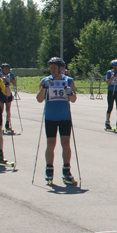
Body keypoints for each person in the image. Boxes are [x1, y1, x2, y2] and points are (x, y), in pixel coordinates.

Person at [36, 56, 78, 185]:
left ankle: (66, 170)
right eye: (51, 67)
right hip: (50, 117)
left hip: (64, 116)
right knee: (51, 143)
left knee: (65, 143)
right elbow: (39, 99)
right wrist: (44, 87)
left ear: (61, 69)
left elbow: (74, 99)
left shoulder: (68, 80)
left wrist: (70, 92)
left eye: (55, 68)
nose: (52, 70)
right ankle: (49, 169)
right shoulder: (45, 80)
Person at [105, 60, 117, 131]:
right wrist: (114, 76)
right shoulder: (110, 72)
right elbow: (108, 82)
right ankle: (107, 122)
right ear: (114, 66)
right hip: (111, 91)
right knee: (110, 106)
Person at [0, 63, 17, 133]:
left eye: (7, 68)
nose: (6, 70)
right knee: (1, 110)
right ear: (2, 69)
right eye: (4, 68)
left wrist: (13, 78)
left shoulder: (10, 76)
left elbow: (15, 84)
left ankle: (7, 125)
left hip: (8, 93)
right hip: (1, 93)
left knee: (8, 110)